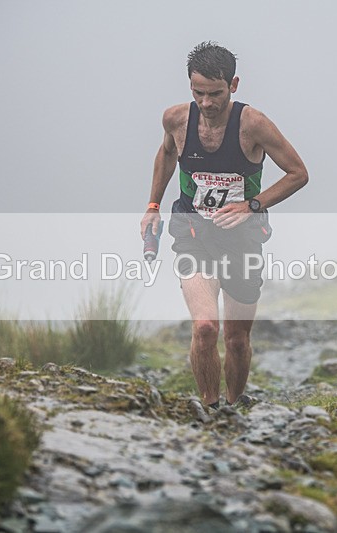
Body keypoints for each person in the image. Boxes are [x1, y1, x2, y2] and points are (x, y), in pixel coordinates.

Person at [140, 41, 308, 410]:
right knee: (204, 327)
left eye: (215, 93)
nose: (207, 103)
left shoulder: (254, 125)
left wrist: (252, 205)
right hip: (192, 231)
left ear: (234, 85)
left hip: (242, 239)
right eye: (198, 93)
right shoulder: (176, 119)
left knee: (235, 338)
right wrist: (153, 205)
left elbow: (298, 174)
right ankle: (210, 409)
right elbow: (168, 153)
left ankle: (234, 405)